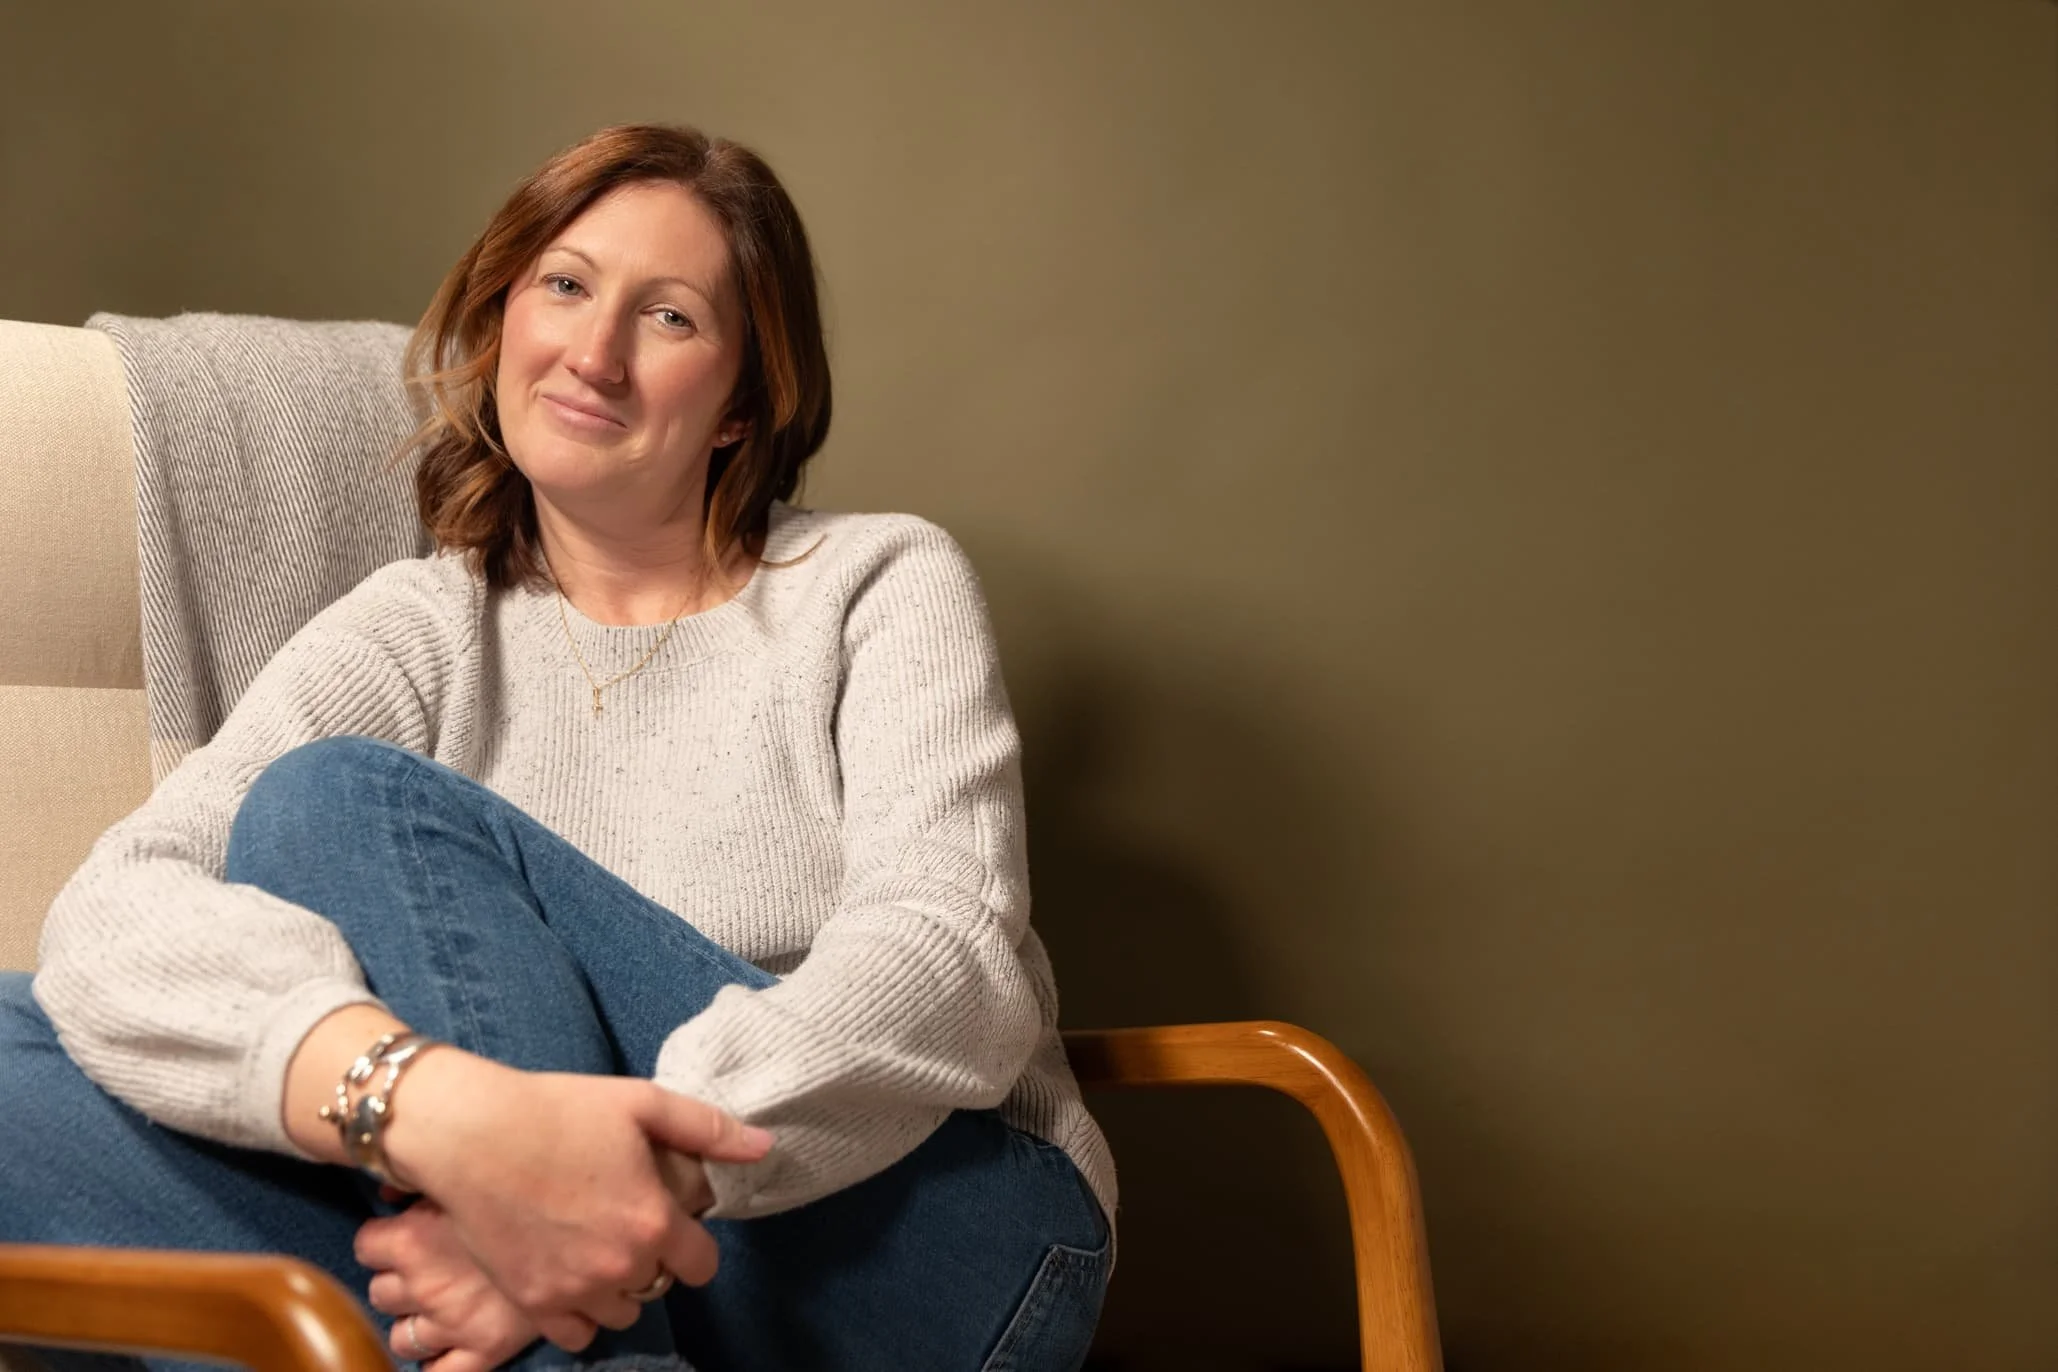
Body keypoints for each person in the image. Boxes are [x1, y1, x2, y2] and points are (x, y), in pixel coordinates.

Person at [0, 123, 1115, 1372]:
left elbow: (950, 956)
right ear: (501, 325)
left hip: (922, 1239)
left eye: (672, 317)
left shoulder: (873, 583)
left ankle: (531, 1295)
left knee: (331, 806)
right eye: (566, 285)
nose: (595, 353)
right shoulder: (414, 627)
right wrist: (425, 1109)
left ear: (745, 402)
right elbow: (117, 906)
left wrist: (601, 1187)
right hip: (631, 1277)